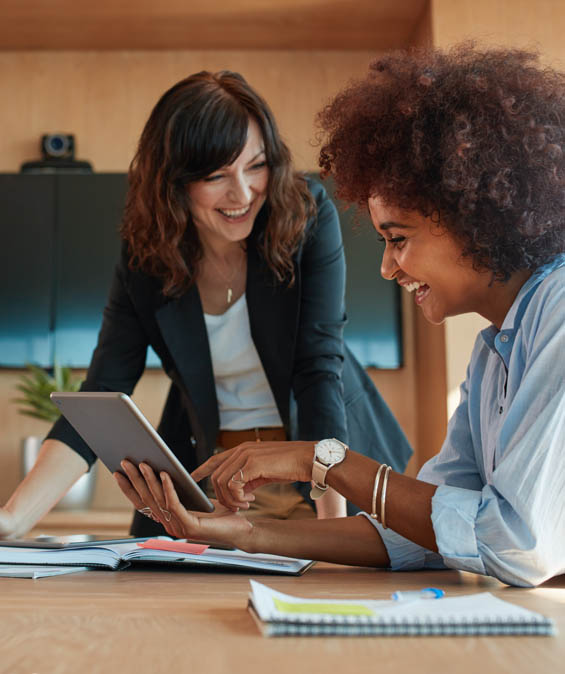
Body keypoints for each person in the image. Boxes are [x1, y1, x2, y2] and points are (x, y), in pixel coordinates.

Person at [114, 45, 565, 587]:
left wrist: (322, 460)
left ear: (477, 218)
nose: (386, 267)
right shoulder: (494, 351)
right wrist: (242, 535)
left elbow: (514, 542)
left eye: (397, 239)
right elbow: (427, 534)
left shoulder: (557, 312)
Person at [0, 71, 411, 539]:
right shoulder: (147, 256)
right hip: (216, 478)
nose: (242, 194)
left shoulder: (306, 216)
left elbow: (318, 368)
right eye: (216, 176)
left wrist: (334, 528)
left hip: (322, 471)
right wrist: (11, 520)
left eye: (256, 165)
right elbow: (102, 393)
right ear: (174, 183)